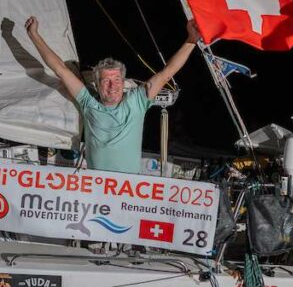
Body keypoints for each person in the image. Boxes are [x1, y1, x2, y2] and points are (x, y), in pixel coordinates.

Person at [25, 17, 201, 174]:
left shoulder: (137, 101)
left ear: (123, 82)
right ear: (97, 84)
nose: (112, 85)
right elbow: (60, 69)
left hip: (127, 192)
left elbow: (167, 72)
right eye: (106, 80)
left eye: (117, 79)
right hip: (97, 189)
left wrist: (191, 39)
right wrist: (34, 35)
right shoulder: (88, 103)